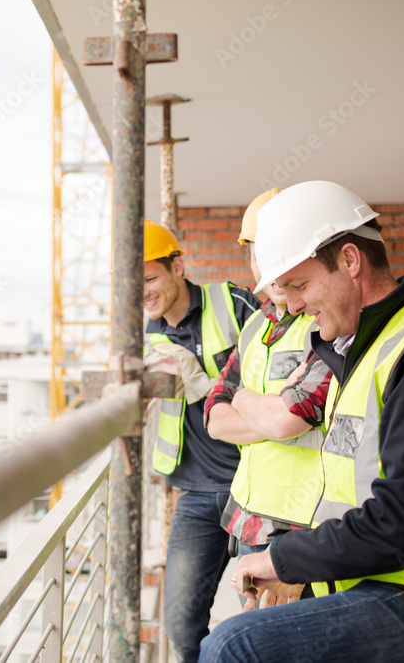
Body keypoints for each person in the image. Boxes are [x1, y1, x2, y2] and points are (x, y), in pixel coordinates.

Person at [200, 181, 404, 662]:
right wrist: (296, 566)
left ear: (350, 261)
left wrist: (287, 559)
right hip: (381, 585)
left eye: (299, 285)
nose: (289, 305)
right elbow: (348, 497)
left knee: (235, 644)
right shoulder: (358, 355)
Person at [142, 219, 259, 663]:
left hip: (254, 486)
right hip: (195, 493)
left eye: (151, 278)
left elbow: (276, 378)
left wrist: (199, 378)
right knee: (179, 623)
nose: (144, 293)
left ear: (178, 266)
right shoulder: (147, 332)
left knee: (260, 612)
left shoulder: (232, 304)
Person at [204, 188, 331, 582]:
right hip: (249, 516)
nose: (272, 265)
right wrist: (268, 403)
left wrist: (242, 400)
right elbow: (214, 418)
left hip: (304, 525)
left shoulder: (328, 322)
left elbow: (287, 422)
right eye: (260, 253)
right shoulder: (256, 324)